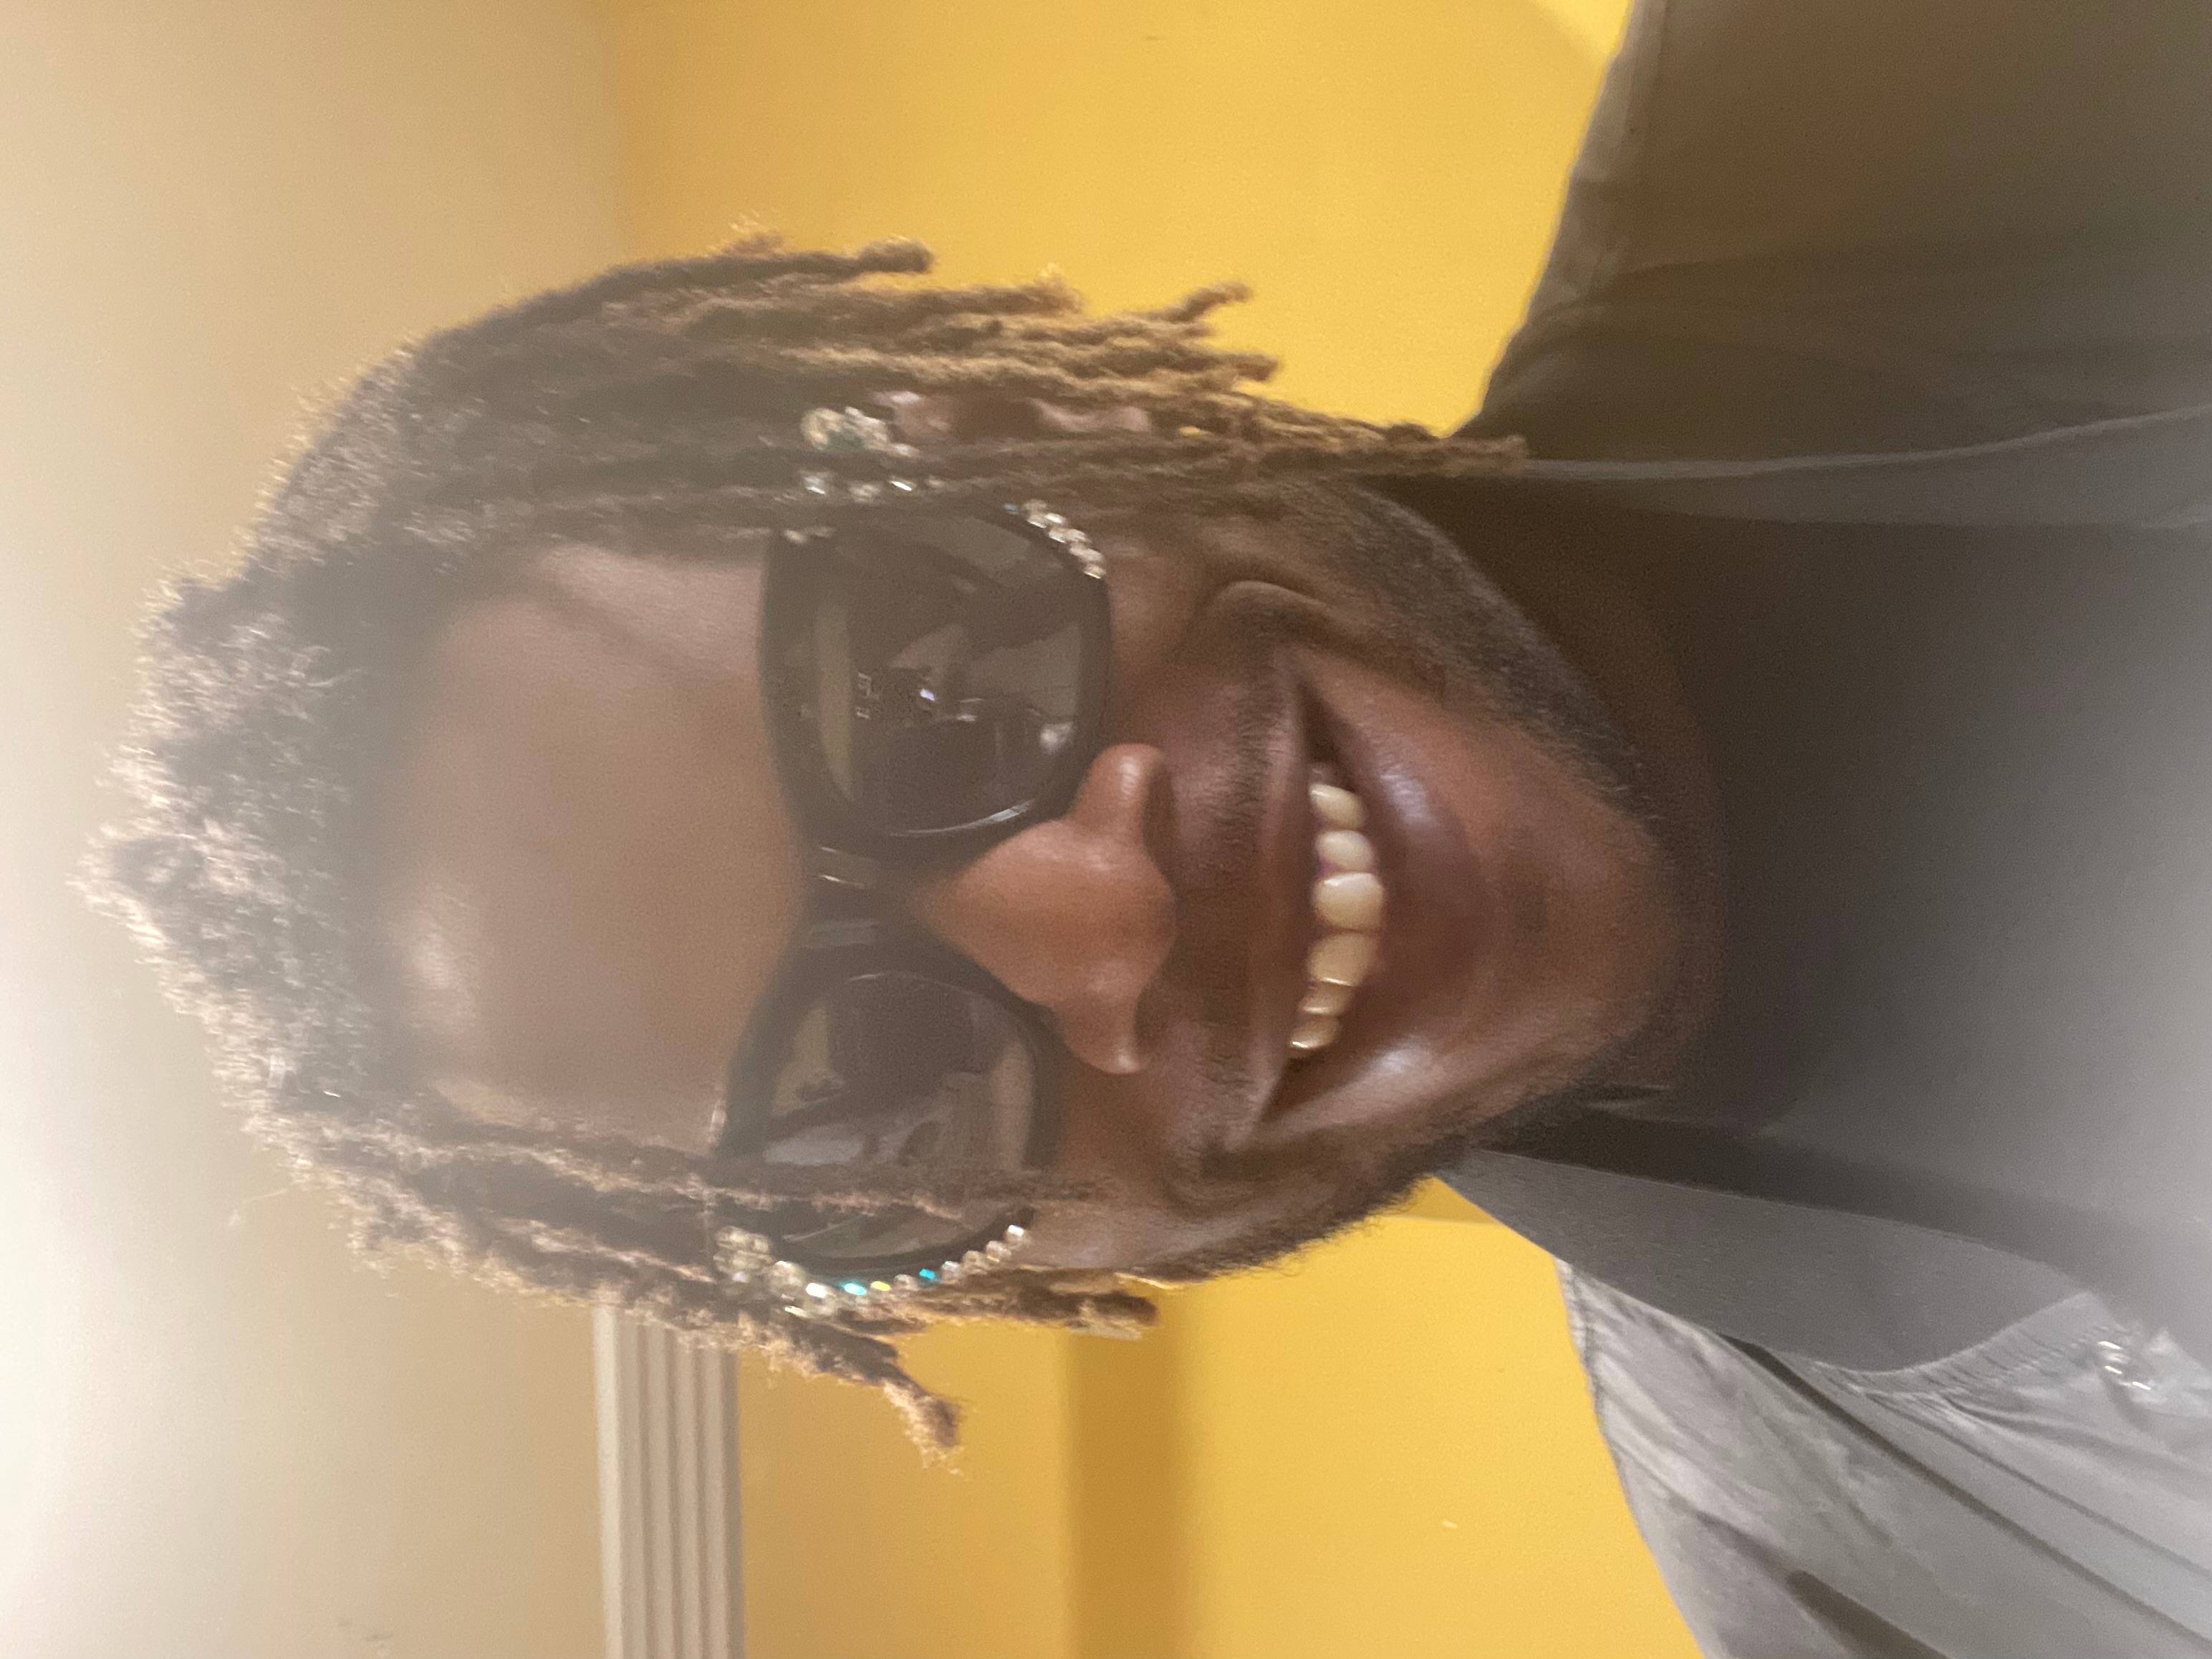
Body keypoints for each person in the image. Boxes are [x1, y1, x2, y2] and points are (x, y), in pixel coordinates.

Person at [90, 1, 2212, 1653]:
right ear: (979, 1260)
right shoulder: (1890, 1589)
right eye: (873, 1094)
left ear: (1000, 431)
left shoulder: (1902, 77)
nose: (1099, 925)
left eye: (924, 692)